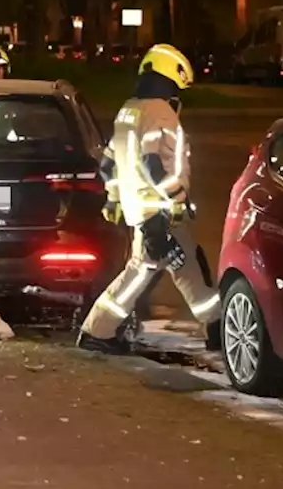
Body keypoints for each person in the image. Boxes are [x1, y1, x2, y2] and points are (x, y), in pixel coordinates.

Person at [77, 43, 221, 354]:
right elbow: (154, 164)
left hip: (143, 208)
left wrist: (116, 201)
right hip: (159, 212)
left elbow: (108, 164)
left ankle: (217, 325)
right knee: (143, 269)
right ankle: (97, 330)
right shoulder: (160, 112)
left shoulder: (129, 110)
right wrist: (176, 199)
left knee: (187, 267)